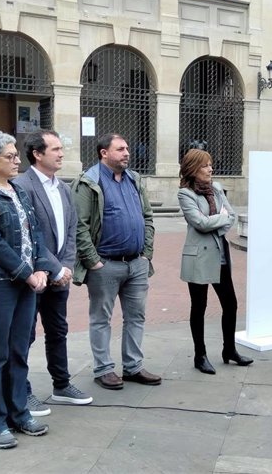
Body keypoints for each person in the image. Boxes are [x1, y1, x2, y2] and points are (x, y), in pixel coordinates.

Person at [0, 130, 59, 449]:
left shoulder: (19, 192)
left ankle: (18, 413)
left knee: (18, 351)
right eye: (10, 156)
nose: (18, 160)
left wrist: (43, 266)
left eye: (17, 154)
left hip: (26, 285)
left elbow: (37, 237)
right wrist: (27, 274)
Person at [71, 133, 161, 390]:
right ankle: (103, 369)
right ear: (104, 153)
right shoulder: (89, 182)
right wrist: (93, 261)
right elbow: (80, 226)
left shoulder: (134, 179)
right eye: (120, 149)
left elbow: (148, 217)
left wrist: (146, 254)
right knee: (101, 318)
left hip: (136, 263)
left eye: (127, 148)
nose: (126, 153)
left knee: (136, 317)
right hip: (106, 265)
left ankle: (133, 367)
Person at [13, 131, 92, 417]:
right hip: (34, 277)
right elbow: (29, 237)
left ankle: (62, 384)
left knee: (58, 331)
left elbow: (71, 230)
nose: (61, 153)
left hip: (60, 276)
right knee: (25, 335)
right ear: (37, 153)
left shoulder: (63, 187)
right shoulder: (22, 185)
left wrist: (66, 266)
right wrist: (54, 268)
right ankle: (22, 391)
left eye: (61, 148)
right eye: (55, 149)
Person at [177, 149, 253, 375]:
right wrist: (219, 218)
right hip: (198, 257)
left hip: (220, 254)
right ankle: (200, 355)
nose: (210, 169)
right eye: (205, 166)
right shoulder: (185, 194)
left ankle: (229, 350)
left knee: (231, 304)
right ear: (193, 169)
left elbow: (232, 216)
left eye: (211, 164)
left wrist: (217, 219)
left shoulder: (217, 188)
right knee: (199, 307)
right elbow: (199, 223)